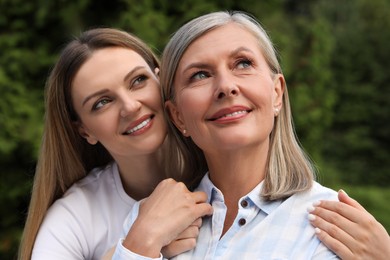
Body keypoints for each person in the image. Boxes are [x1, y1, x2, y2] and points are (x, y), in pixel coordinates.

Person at [156, 10, 389, 259]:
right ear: (177, 116)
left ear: (277, 93)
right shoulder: (153, 222)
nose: (226, 86)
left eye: (243, 63)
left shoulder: (333, 229)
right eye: (200, 75)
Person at [18, 28, 213, 260]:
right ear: (84, 130)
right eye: (102, 102)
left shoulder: (224, 158)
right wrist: (140, 243)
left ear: (160, 79)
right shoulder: (76, 214)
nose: (130, 106)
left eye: (138, 81)